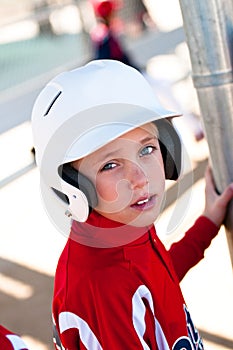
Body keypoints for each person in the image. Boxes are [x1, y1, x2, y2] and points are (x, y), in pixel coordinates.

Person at [31, 60, 233, 349]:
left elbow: (156, 280)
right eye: (111, 165)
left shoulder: (120, 227)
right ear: (73, 185)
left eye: (147, 149)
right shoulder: (103, 284)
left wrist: (207, 223)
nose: (139, 179)